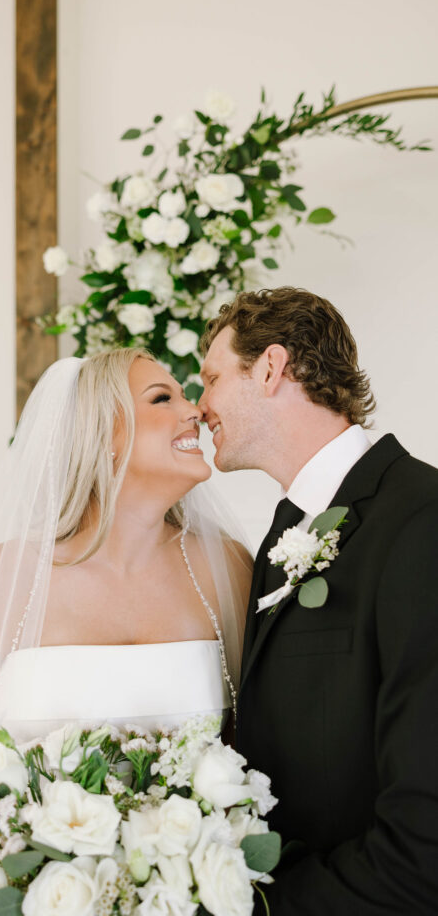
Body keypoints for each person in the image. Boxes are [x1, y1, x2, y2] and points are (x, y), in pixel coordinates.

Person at [0, 348, 251, 915]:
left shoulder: (225, 569)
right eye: (164, 398)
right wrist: (18, 892)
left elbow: (248, 747)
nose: (195, 412)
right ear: (103, 435)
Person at [198, 286, 438, 916]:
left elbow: (425, 844)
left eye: (212, 378)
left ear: (271, 368)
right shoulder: (284, 530)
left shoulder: (423, 520)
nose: (201, 407)